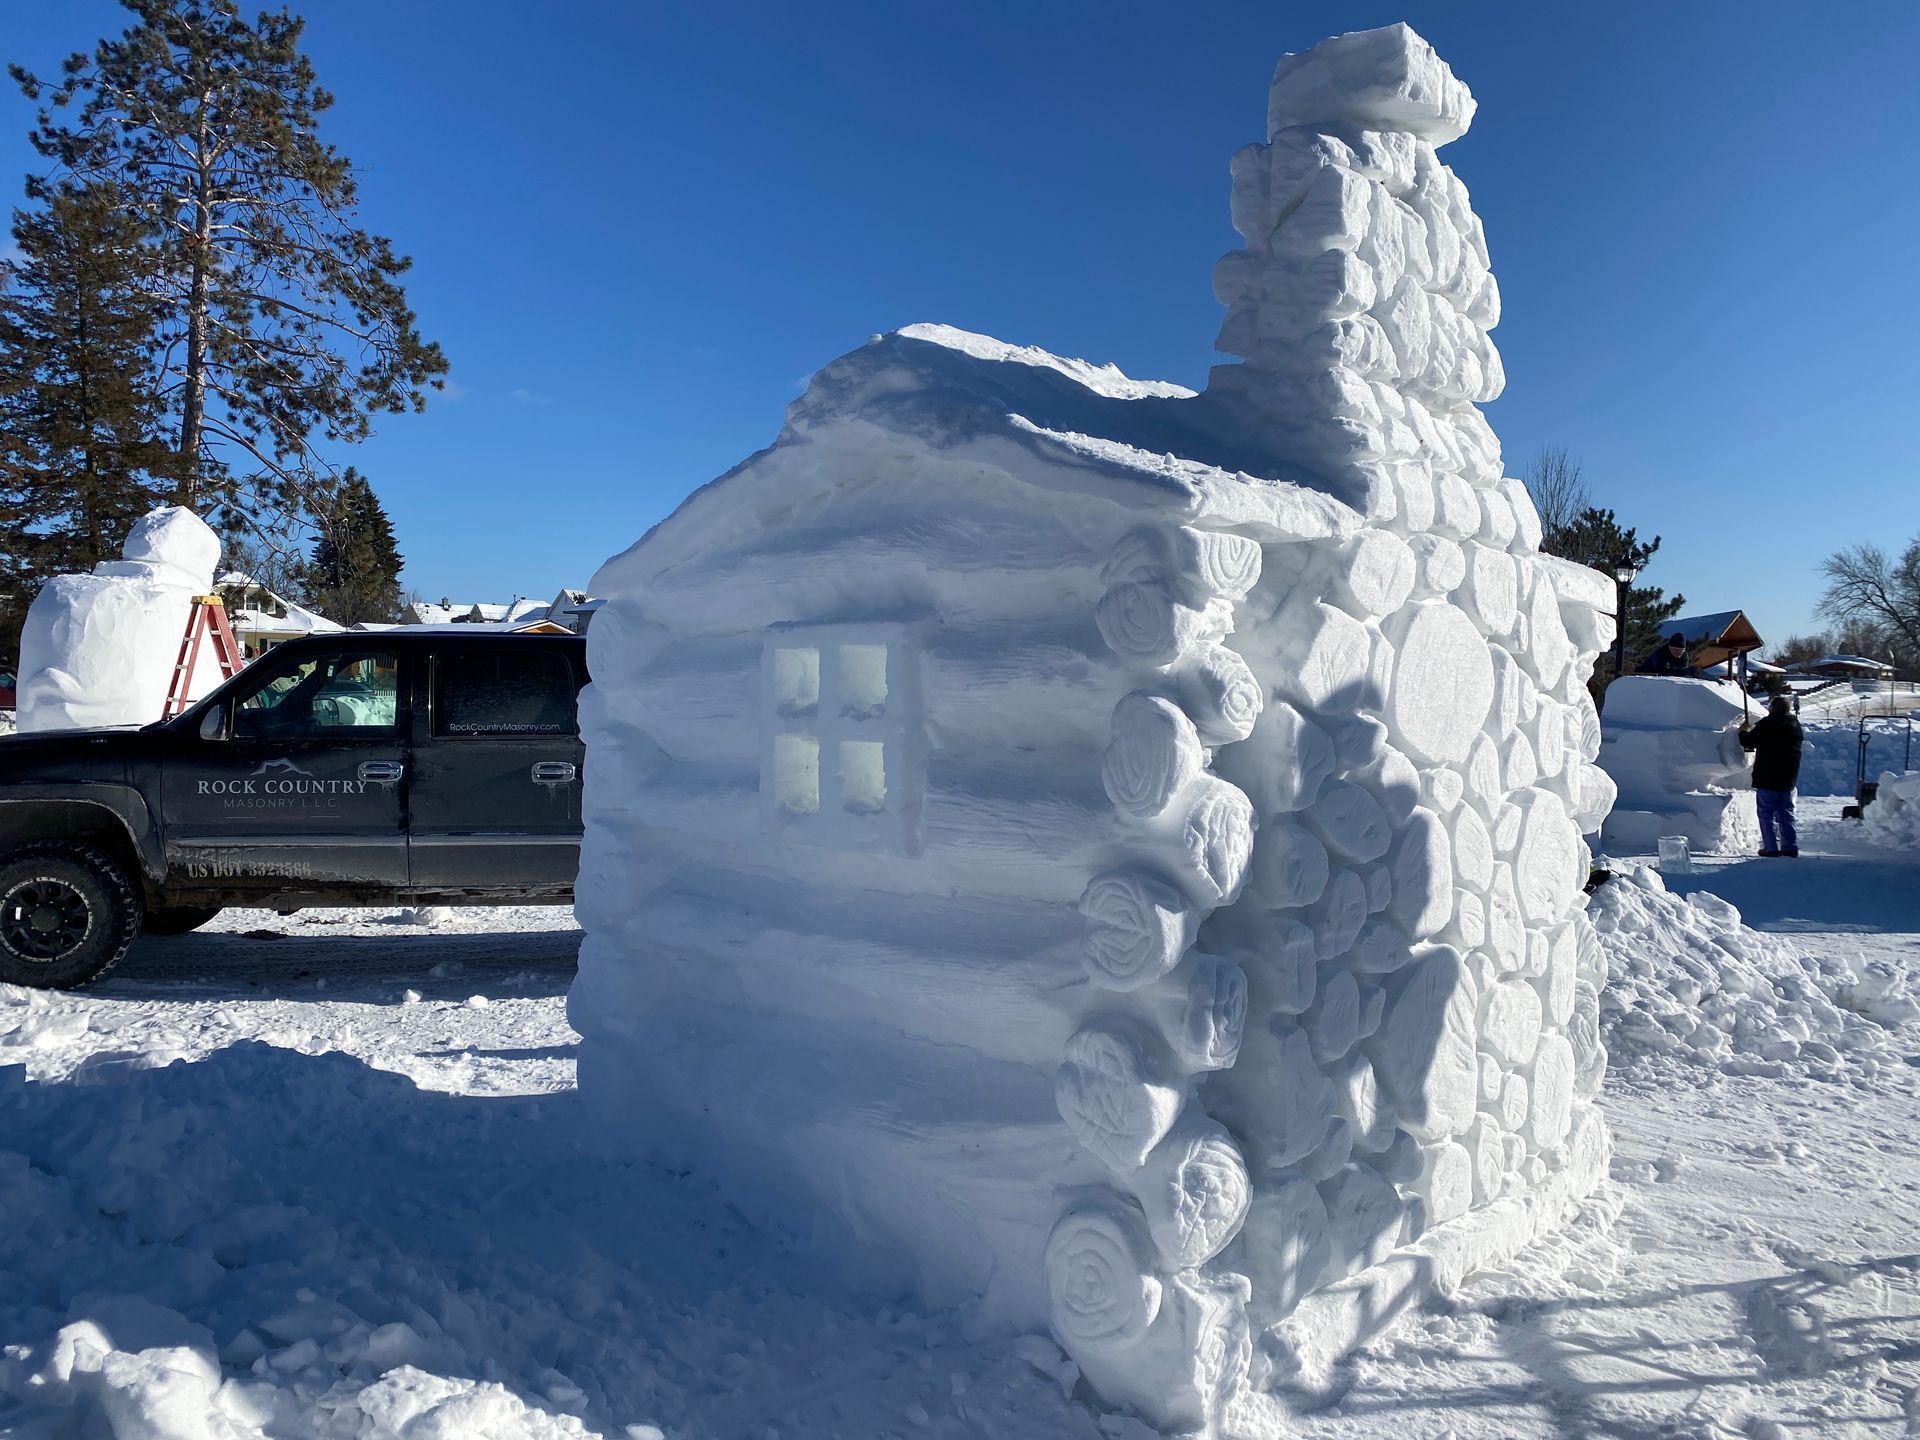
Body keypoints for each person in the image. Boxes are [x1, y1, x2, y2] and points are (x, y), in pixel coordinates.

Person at [1739, 694, 1803, 857]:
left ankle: (1771, 847)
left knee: (1766, 814)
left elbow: (1749, 742)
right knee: (1786, 813)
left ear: (1773, 708)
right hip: (1788, 778)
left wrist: (1744, 731)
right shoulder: (1795, 724)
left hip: (1767, 777)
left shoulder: (1768, 724)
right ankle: (1790, 847)